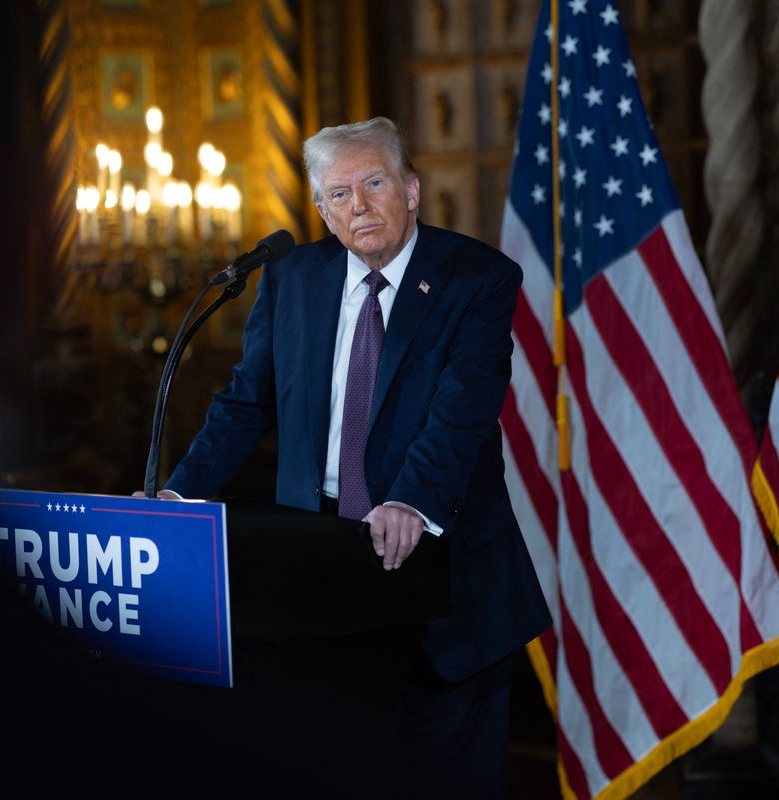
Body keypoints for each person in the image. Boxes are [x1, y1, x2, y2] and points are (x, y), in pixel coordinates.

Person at [163, 117, 552, 796]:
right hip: (317, 576)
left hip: (443, 574)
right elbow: (245, 404)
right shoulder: (291, 279)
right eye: (338, 194)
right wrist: (177, 495)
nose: (359, 206)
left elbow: (464, 408)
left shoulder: (476, 278)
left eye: (373, 183)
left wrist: (410, 499)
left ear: (410, 190)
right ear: (320, 210)